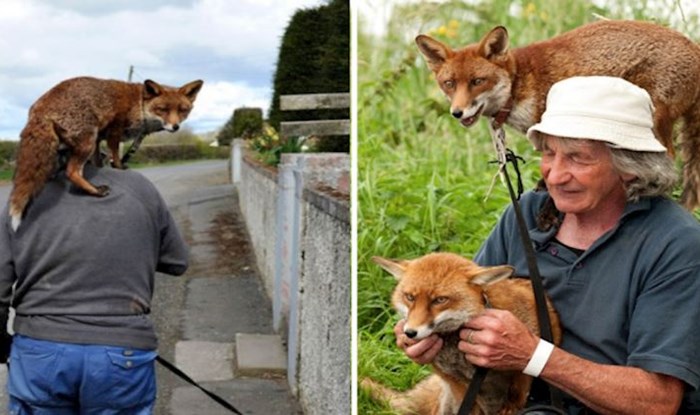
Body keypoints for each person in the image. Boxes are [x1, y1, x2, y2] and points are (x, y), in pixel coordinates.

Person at [395, 76, 700, 414]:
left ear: (629, 167)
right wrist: (429, 334)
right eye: (548, 153)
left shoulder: (675, 244)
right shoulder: (527, 213)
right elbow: (469, 305)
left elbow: (657, 402)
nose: (554, 175)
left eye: (577, 158)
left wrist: (534, 356)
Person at [0, 158, 189, 414]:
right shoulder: (138, 187)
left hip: (40, 349)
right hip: (122, 351)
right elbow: (176, 261)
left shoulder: (22, 195)